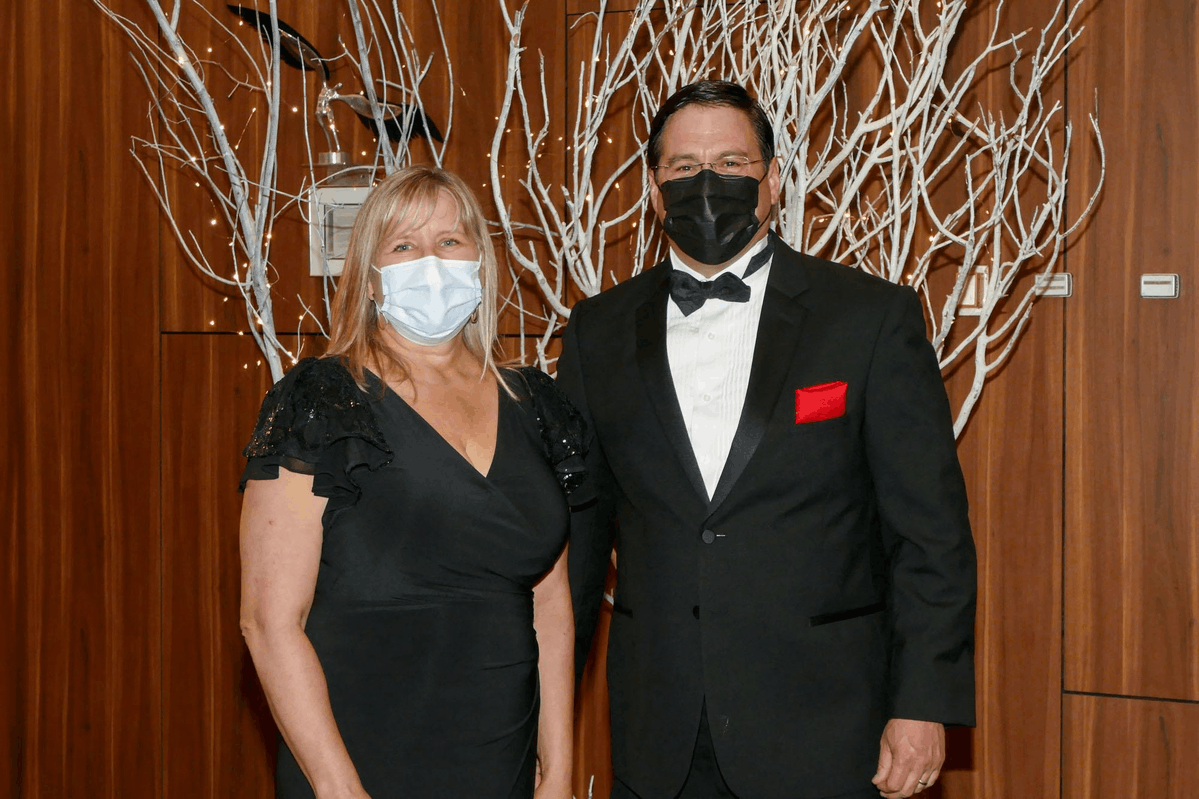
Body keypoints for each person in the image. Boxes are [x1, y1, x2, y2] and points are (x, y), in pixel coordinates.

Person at [557, 81, 976, 799]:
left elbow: (928, 533)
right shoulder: (596, 331)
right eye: (683, 168)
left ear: (773, 179)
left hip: (828, 727)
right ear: (653, 190)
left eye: (730, 162)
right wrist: (542, 721)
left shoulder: (869, 318)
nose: (707, 182)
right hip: (658, 729)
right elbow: (579, 539)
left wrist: (922, 701)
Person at [238, 165, 585, 799]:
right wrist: (338, 788)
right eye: (404, 245)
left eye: (450, 241)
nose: (432, 261)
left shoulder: (536, 403)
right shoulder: (323, 399)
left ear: (480, 261)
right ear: (369, 278)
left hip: (499, 751)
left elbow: (551, 603)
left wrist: (558, 765)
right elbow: (269, 621)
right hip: (359, 751)